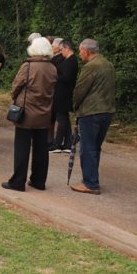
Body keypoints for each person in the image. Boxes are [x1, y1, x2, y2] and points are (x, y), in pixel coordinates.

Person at [1, 37, 57, 192]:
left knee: (22, 148)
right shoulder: (52, 67)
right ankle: (39, 180)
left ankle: (18, 181)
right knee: (41, 148)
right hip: (44, 111)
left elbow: (16, 85)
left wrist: (14, 97)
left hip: (26, 112)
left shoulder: (28, 66)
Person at [71, 39, 116, 195]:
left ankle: (91, 184)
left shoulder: (91, 67)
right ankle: (91, 179)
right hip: (107, 111)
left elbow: (80, 90)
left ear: (87, 51)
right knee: (95, 146)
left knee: (87, 147)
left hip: (91, 112)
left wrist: (75, 106)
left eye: (80, 50)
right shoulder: (108, 64)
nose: (79, 53)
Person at [50, 39, 78, 152]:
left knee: (61, 118)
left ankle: (57, 143)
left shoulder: (71, 61)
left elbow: (67, 77)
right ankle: (67, 144)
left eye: (62, 50)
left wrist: (55, 77)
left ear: (67, 48)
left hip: (63, 93)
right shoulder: (68, 60)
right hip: (61, 92)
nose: (61, 52)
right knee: (64, 118)